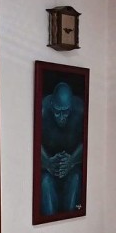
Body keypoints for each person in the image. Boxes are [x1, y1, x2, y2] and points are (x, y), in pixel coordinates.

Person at [40, 82, 84, 216]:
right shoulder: (42, 110)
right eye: (57, 111)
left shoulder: (81, 110)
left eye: (65, 112)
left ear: (71, 107)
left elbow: (88, 142)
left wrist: (71, 161)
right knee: (45, 182)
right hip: (48, 168)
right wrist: (48, 162)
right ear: (51, 104)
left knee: (76, 179)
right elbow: (32, 144)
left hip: (71, 168)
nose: (61, 117)